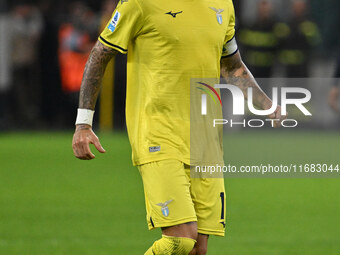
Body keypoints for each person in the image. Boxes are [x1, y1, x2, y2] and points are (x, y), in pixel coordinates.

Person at [72, 0, 285, 254]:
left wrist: (266, 104)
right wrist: (83, 123)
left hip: (206, 140)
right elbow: (100, 53)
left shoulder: (223, 5)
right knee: (180, 240)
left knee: (198, 249)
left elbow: (232, 65)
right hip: (158, 132)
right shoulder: (140, 3)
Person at [277, 0, 320, 77]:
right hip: (289, 65)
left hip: (303, 64)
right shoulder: (287, 23)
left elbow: (315, 41)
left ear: (305, 8)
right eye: (296, 6)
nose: (298, 9)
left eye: (300, 6)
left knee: (302, 85)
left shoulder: (309, 23)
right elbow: (280, 42)